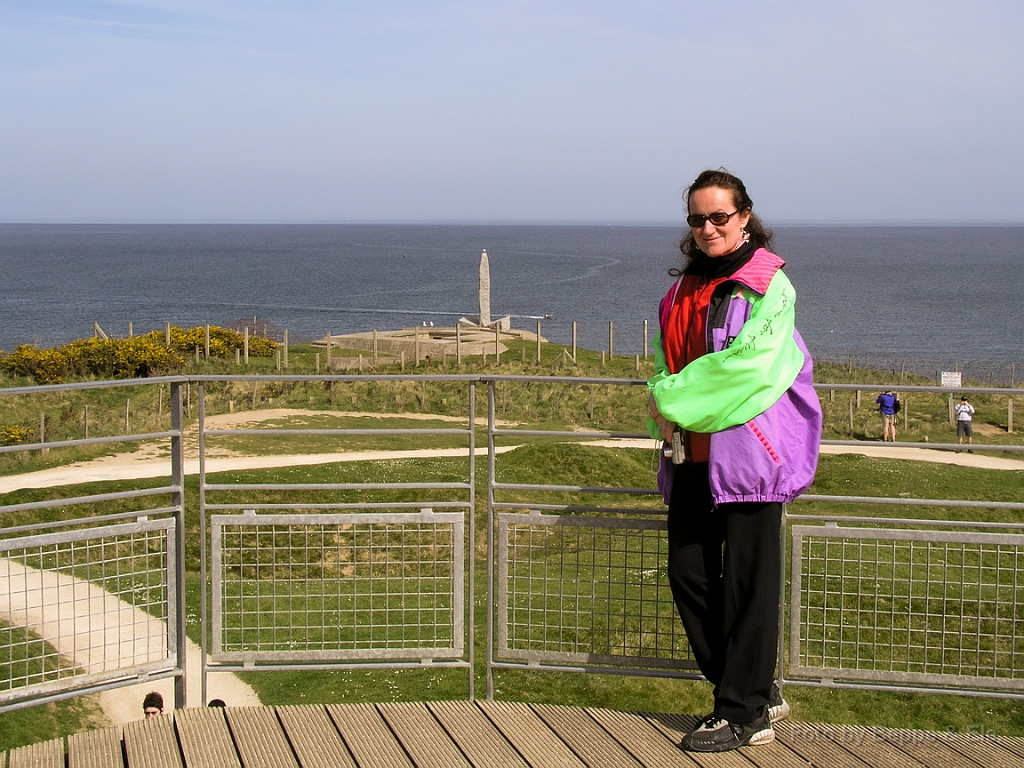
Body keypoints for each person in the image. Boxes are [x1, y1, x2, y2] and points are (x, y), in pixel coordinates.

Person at [647, 169, 822, 753]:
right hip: (692, 455)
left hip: (751, 458)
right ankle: (751, 689)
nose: (707, 228)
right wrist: (665, 405)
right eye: (697, 218)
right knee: (689, 575)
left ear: (744, 216)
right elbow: (664, 361)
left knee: (749, 584)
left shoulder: (770, 286)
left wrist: (668, 401)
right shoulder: (680, 290)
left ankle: (742, 712)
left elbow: (751, 367)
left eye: (719, 216)